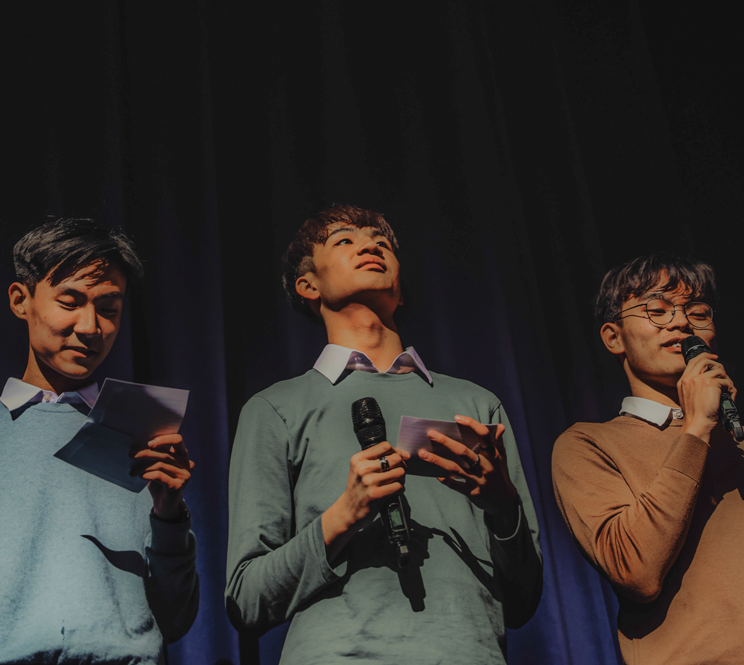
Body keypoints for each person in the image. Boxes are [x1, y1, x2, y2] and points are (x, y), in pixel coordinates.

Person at [225, 203, 542, 665]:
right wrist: (344, 514)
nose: (371, 245)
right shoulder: (275, 409)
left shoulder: (477, 403)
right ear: (308, 285)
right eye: (345, 240)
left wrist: (502, 506)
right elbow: (247, 600)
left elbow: (523, 600)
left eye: (382, 242)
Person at [0, 216, 199, 665]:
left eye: (109, 308)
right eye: (70, 301)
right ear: (20, 300)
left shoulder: (142, 435)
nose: (90, 326)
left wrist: (169, 514)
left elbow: (175, 619)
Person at [552, 252, 744, 665]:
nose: (680, 323)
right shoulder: (587, 444)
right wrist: (695, 429)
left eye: (697, 312)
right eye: (656, 310)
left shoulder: (737, 437)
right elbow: (635, 573)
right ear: (614, 337)